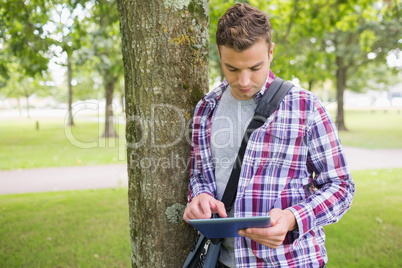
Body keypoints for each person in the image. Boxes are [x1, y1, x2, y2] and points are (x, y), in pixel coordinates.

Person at [183, 3, 355, 268]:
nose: (243, 81)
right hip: (223, 261)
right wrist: (200, 196)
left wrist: (292, 218)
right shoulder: (205, 109)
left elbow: (341, 187)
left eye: (254, 68)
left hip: (290, 261)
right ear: (219, 54)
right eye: (232, 68)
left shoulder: (306, 107)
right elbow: (200, 175)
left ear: (271, 53)